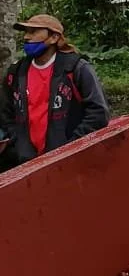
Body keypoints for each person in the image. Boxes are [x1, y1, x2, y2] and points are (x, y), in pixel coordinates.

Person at [0, 15, 110, 167]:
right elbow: (5, 112)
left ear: (54, 37)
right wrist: (18, 142)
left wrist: (70, 146)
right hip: (26, 163)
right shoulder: (16, 72)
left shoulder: (76, 68)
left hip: (69, 162)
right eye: (26, 32)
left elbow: (98, 113)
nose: (26, 37)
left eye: (33, 32)